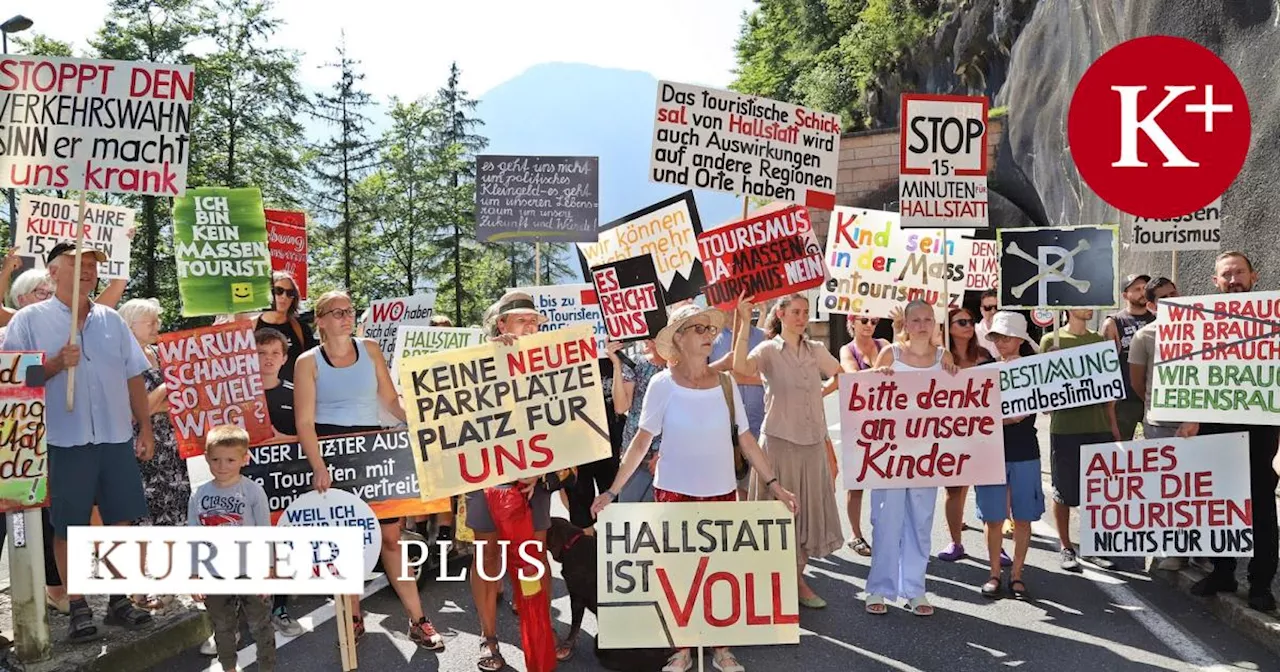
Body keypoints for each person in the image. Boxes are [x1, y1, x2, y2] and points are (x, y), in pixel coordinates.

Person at [592, 303, 798, 672]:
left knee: (722, 570)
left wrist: (775, 485)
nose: (708, 336)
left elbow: (746, 439)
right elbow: (642, 441)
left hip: (721, 492)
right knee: (678, 573)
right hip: (673, 492)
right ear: (680, 338)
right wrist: (611, 491)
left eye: (709, 329)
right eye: (698, 329)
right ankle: (682, 649)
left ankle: (721, 648)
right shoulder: (661, 383)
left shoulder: (725, 383)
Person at [1, 242, 155, 642]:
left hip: (115, 436)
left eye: (92, 265)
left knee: (121, 518)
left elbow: (134, 375)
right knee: (69, 526)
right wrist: (53, 365)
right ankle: (78, 605)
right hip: (65, 441)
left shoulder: (112, 320)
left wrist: (146, 427)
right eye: (78, 265)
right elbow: (14, 382)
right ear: (53, 272)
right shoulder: (29, 320)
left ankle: (120, 600)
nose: (88, 271)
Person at [293, 290, 445, 649]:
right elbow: (304, 421)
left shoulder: (372, 348)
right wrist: (318, 465)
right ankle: (353, 620)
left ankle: (418, 620)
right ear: (321, 321)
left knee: (390, 539)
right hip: (332, 452)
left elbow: (389, 401)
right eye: (336, 312)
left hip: (373, 451)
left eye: (349, 311)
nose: (346, 317)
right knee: (345, 546)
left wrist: (418, 425)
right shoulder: (307, 362)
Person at [1178, 252, 1279, 613]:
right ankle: (1223, 571)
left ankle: (1261, 584)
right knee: (1218, 503)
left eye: (1239, 272)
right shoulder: (1197, 323)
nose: (1233, 279)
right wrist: (1187, 416)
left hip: (1259, 429)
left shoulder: (1273, 318)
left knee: (1262, 505)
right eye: (1226, 274)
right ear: (1214, 280)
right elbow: (1186, 373)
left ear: (1254, 275)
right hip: (1211, 428)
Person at [731, 292, 842, 610]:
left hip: (813, 445)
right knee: (779, 517)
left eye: (805, 311)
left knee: (807, 514)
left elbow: (841, 374)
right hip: (779, 444)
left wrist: (824, 392)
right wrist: (742, 321)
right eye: (795, 311)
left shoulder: (817, 349)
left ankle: (795, 580)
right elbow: (741, 366)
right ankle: (785, 584)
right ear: (780, 315)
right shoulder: (767, 349)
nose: (802, 317)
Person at [467, 290, 560, 671]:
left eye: (535, 321)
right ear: (502, 324)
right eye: (523, 320)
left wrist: (542, 467)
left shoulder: (551, 361)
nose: (531, 326)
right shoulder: (476, 359)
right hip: (486, 476)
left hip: (533, 479)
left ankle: (538, 626)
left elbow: (564, 417)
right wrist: (490, 356)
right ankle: (489, 638)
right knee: (488, 558)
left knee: (535, 558)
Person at [863, 299, 958, 617]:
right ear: (905, 323)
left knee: (920, 522)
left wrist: (955, 377)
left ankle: (915, 589)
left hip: (926, 455)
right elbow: (868, 400)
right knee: (886, 522)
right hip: (889, 453)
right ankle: (879, 588)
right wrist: (878, 377)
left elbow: (955, 403)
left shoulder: (944, 357)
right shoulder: (891, 353)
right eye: (915, 319)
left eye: (927, 320)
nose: (921, 325)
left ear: (934, 323)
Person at [117, 298, 192, 612]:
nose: (157, 327)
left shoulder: (161, 354)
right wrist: (168, 385)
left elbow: (184, 397)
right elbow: (139, 409)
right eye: (150, 322)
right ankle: (138, 589)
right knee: (143, 518)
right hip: (143, 448)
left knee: (174, 514)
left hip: (173, 446)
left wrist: (158, 398)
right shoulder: (121, 359)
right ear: (130, 324)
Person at [1040, 308, 1122, 572]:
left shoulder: (1099, 341)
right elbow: (1044, 395)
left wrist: (1114, 429)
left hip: (1098, 427)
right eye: (1083, 304)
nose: (1090, 308)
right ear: (1067, 306)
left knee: (1096, 491)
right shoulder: (1051, 340)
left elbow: (1109, 389)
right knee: (1063, 491)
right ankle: (1066, 547)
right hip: (1065, 428)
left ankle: (1093, 546)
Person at [188, 425, 275, 672]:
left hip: (250, 570)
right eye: (215, 459)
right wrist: (194, 574)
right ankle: (228, 668)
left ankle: (267, 668)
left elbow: (264, 531)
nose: (222, 465)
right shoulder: (198, 495)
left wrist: (267, 568)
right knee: (222, 627)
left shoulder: (253, 491)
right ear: (206, 457)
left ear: (244, 459)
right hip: (215, 573)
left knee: (261, 626)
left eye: (230, 460)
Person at [977, 312, 1046, 598]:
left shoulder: (1034, 369)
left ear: (1020, 339)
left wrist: (987, 417)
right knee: (993, 517)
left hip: (1024, 451)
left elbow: (1023, 414)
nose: (1001, 342)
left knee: (1023, 517)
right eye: (996, 337)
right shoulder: (983, 370)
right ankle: (994, 573)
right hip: (990, 452)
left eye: (1006, 337)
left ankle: (1017, 574)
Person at [1127, 277, 1187, 572]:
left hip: (1196, 423)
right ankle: (1172, 550)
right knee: (1168, 490)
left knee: (1197, 489)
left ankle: (1199, 546)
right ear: (1151, 306)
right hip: (1160, 423)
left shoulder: (1199, 329)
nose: (1172, 299)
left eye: (1174, 293)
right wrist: (1156, 407)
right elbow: (1138, 383)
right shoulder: (1144, 337)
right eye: (1163, 297)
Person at [829, 313, 889, 556]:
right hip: (859, 422)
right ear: (851, 323)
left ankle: (886, 532)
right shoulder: (847, 349)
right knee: (857, 481)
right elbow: (850, 375)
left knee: (887, 478)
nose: (869, 326)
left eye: (874, 321)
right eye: (864, 320)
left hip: (886, 422)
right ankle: (856, 534)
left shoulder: (884, 345)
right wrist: (877, 373)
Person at [709, 309, 767, 500]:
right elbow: (701, 376)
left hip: (759, 423)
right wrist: (724, 368)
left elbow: (771, 377)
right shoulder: (710, 339)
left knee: (760, 485)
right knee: (735, 488)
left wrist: (737, 376)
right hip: (724, 426)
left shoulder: (764, 337)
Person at [608, 338, 666, 503]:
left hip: (665, 456)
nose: (649, 342)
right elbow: (620, 407)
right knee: (630, 514)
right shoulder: (635, 362)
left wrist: (664, 450)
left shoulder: (679, 366)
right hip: (634, 453)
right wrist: (616, 366)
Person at [1102, 274, 1155, 440]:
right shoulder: (1113, 323)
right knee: (1120, 447)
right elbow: (1106, 367)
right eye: (1137, 289)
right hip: (1125, 399)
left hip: (1153, 397)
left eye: (1145, 288)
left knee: (1159, 447)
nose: (1142, 292)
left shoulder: (1158, 318)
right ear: (1125, 295)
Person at [256, 271, 316, 381]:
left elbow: (312, 367)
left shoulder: (301, 329)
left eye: (290, 293)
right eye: (279, 291)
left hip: (293, 396)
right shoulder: (249, 327)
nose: (284, 296)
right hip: (257, 395)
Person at [973, 289, 1000, 358]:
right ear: (981, 310)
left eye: (997, 307)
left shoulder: (1013, 330)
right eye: (988, 308)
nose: (993, 311)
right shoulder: (972, 332)